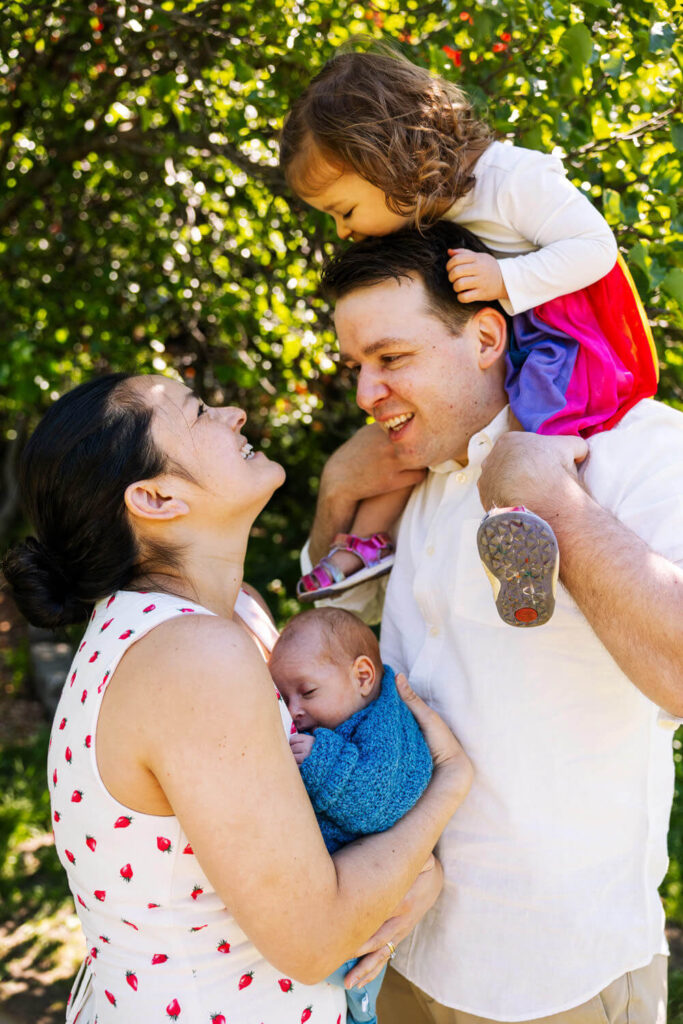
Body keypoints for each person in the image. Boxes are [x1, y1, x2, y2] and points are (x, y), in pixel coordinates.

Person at [1, 372, 473, 1024]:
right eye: (199, 413)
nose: (234, 415)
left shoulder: (231, 618)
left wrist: (415, 874)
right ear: (157, 497)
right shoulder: (191, 656)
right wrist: (448, 786)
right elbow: (315, 940)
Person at [300, 222, 683, 1023]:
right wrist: (337, 491)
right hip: (403, 942)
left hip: (554, 974)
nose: (365, 394)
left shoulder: (636, 448)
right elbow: (333, 639)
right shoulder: (410, 470)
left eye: (390, 357)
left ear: (484, 336)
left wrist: (549, 503)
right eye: (356, 367)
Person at [280, 50, 658, 628]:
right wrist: (336, 490)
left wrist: (506, 279)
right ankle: (365, 544)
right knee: (396, 441)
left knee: (535, 430)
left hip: (559, 339)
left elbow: (596, 247)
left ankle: (525, 533)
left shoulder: (510, 180)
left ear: (385, 163)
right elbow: (340, 618)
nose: (343, 229)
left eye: (345, 209)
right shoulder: (427, 212)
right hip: (516, 332)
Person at [270, 606, 434, 1024]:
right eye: (284, 698)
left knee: (353, 977)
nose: (294, 710)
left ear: (362, 676)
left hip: (367, 899)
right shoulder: (344, 716)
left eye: (307, 692)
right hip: (343, 889)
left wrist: (321, 759)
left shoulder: (386, 724)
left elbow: (378, 801)